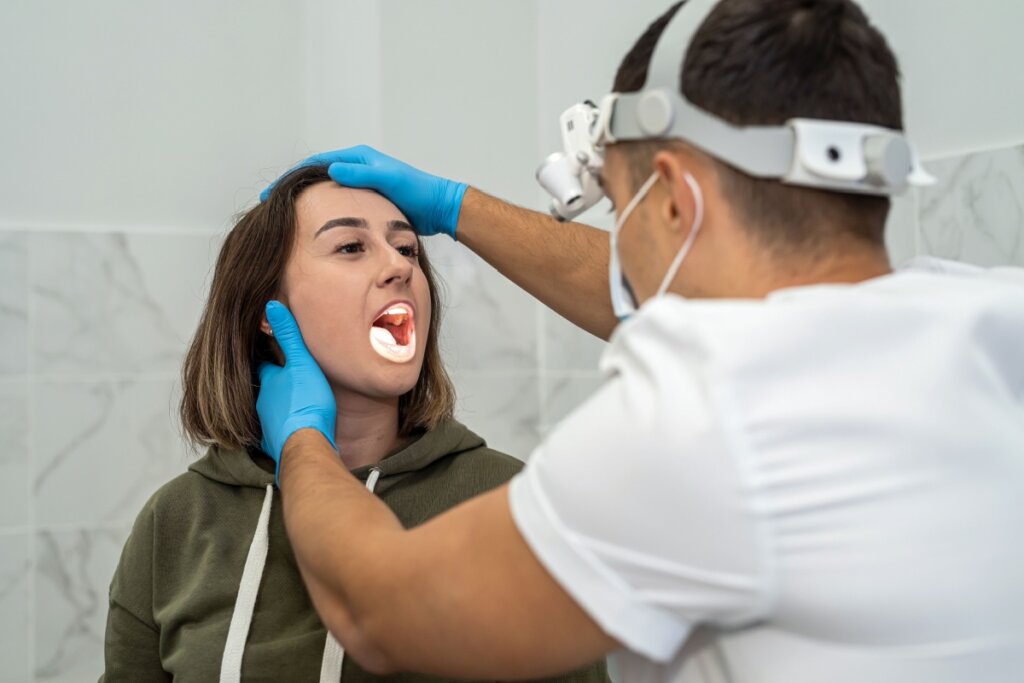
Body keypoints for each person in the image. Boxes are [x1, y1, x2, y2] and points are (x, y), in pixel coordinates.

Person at [254, 1, 1024, 682]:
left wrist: (301, 442)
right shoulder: (990, 319)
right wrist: (458, 209)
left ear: (678, 199)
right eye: (352, 248)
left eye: (621, 203)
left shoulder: (709, 425)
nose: (395, 267)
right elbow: (707, 294)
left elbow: (379, 610)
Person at [100, 164, 609, 683]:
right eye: (350, 247)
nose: (399, 267)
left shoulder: (511, 499)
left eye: (407, 249)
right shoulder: (178, 520)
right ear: (265, 309)